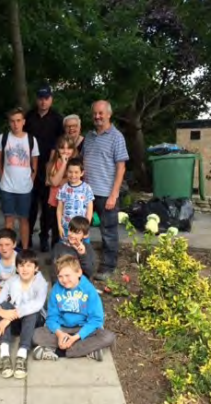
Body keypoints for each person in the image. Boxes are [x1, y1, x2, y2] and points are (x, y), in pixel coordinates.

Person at [32, 255, 116, 361]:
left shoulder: (89, 290)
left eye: (67, 275)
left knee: (108, 337)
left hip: (83, 328)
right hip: (63, 328)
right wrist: (60, 334)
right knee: (35, 335)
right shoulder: (56, 289)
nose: (64, 280)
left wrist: (76, 337)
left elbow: (96, 320)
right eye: (60, 276)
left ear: (79, 272)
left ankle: (57, 352)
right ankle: (87, 350)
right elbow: (51, 318)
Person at [82, 100, 129, 281]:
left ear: (109, 114)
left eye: (101, 113)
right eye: (95, 113)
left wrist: (114, 194)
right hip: (87, 194)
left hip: (106, 194)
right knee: (82, 229)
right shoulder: (89, 136)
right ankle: (83, 262)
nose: (97, 116)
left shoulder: (117, 137)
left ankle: (108, 266)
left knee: (108, 232)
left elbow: (121, 168)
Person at [0, 249, 48, 379]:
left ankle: (21, 355)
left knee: (31, 312)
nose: (25, 269)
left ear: (36, 268)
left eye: (29, 265)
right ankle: (4, 356)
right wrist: (1, 312)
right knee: (4, 306)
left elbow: (37, 305)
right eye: (21, 265)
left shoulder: (41, 283)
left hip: (35, 322)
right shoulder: (11, 281)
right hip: (17, 323)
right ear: (16, 268)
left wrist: (8, 318)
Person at [24, 86, 64, 251]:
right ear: (37, 99)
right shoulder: (29, 117)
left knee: (49, 208)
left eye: (46, 98)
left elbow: (61, 143)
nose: (43, 101)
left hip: (50, 168)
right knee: (30, 207)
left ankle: (44, 238)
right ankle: (26, 239)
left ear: (51, 99)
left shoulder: (57, 119)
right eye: (40, 98)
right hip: (30, 168)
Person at [0, 107, 39, 250]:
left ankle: (25, 250)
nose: (16, 124)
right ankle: (9, 250)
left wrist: (31, 179)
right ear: (9, 123)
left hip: (25, 188)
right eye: (12, 121)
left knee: (24, 220)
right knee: (8, 220)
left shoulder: (31, 139)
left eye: (18, 121)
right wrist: (2, 178)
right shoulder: (3, 138)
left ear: (24, 122)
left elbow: (35, 163)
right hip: (7, 187)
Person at [46, 136, 79, 248]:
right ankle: (56, 257)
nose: (65, 151)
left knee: (71, 232)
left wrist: (61, 180)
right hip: (55, 203)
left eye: (69, 148)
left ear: (73, 150)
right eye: (62, 148)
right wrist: (64, 164)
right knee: (56, 231)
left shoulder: (76, 164)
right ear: (57, 149)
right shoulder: (53, 163)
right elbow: (54, 182)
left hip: (71, 204)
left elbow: (75, 180)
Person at [56, 157, 94, 239]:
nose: (73, 175)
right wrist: (59, 226)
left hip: (81, 229)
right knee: (66, 250)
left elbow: (90, 209)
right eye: (70, 172)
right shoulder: (63, 188)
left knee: (82, 250)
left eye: (76, 172)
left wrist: (86, 228)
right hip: (66, 228)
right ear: (66, 172)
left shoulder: (87, 188)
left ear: (82, 173)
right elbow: (59, 209)